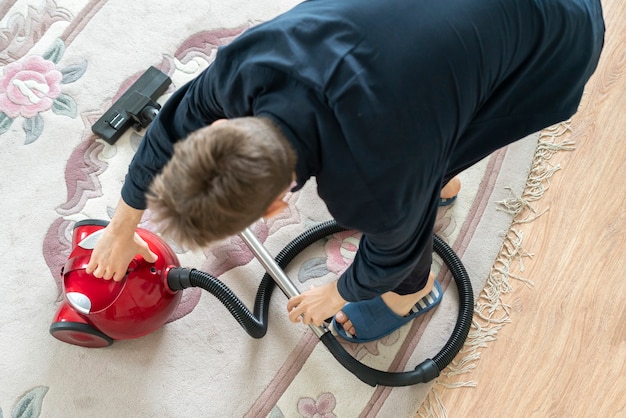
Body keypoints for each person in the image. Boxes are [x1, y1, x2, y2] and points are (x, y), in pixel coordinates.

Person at [86, 0, 604, 342]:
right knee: (427, 138)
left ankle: (412, 300)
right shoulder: (247, 65)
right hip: (442, 32)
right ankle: (438, 172)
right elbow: (171, 125)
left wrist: (336, 293)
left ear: (275, 206)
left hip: (557, 35)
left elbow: (392, 253)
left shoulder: (370, 185)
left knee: (409, 206)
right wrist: (121, 226)